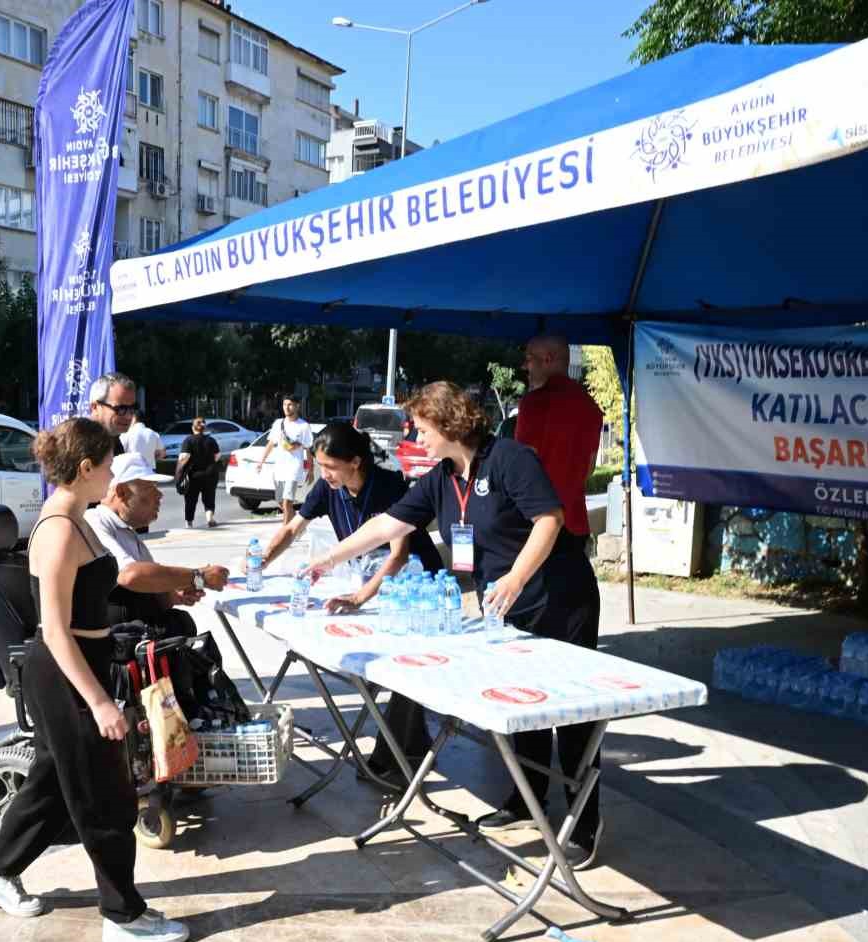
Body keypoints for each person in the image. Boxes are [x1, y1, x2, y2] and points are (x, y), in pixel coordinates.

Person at [306, 382, 603, 870]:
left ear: (447, 423)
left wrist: (515, 576)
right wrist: (328, 559)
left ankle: (583, 824)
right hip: (506, 604)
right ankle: (524, 802)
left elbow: (549, 520)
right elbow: (387, 526)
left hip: (557, 597)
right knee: (520, 703)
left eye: (421, 429)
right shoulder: (442, 478)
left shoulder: (509, 459)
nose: (416, 438)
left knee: (571, 715)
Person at [0, 418, 189, 942]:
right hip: (66, 670)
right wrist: (97, 701)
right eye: (109, 463)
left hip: (87, 657)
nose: (115, 474)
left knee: (53, 781)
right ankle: (123, 915)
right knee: (105, 796)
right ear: (87, 468)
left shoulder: (80, 519)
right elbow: (53, 628)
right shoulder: (58, 531)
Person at [257, 421, 443, 783]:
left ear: (355, 462)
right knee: (383, 667)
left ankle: (396, 757)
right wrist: (261, 563)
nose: (323, 474)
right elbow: (293, 528)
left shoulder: (389, 487)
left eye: (330, 467)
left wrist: (359, 597)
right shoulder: (328, 489)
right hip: (372, 586)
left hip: (413, 589)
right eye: (321, 466)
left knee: (399, 668)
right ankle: (413, 748)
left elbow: (398, 555)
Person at [510, 334, 607, 862]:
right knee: (566, 692)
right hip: (569, 549)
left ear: (547, 359)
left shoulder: (538, 404)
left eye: (527, 358)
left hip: (545, 549)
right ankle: (575, 812)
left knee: (542, 688)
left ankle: (542, 802)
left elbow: (533, 479)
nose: (523, 366)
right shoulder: (588, 406)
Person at [86, 452, 230, 637]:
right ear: (121, 492)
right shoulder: (94, 521)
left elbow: (153, 590)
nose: (159, 495)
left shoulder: (127, 532)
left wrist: (176, 593)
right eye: (149, 487)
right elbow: (130, 576)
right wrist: (198, 576)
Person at [255, 396, 313, 523]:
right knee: (281, 502)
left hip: (294, 468)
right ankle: (297, 526)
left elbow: (308, 450)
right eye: (284, 404)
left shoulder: (304, 426)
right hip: (280, 468)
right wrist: (261, 462)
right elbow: (270, 444)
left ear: (297, 406)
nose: (286, 407)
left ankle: (285, 533)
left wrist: (310, 470)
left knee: (287, 502)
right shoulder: (278, 423)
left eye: (290, 404)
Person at [174, 417, 220, 528]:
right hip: (210, 474)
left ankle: (189, 523)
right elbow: (217, 456)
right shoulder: (211, 440)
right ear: (204, 429)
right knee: (209, 498)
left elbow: (184, 457)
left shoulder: (188, 440)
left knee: (190, 500)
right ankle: (210, 518)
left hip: (193, 475)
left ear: (192, 428)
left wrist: (178, 470)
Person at [88, 372, 139, 457]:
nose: (129, 416)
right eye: (120, 409)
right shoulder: (78, 443)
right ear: (95, 407)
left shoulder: (114, 440)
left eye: (132, 408)